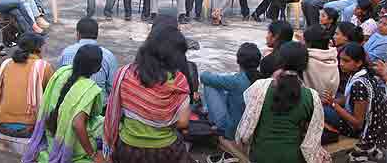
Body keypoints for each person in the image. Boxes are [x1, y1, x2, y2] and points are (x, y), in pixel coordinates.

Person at [103, 25, 193, 163]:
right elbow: (183, 122)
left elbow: (115, 114)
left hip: (128, 149)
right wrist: (160, 121)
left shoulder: (125, 74)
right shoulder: (179, 81)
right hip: (166, 150)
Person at [236, 41, 330, 163]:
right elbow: (312, 138)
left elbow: (248, 118)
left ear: (279, 62)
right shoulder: (312, 96)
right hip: (292, 158)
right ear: (305, 65)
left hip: (259, 156)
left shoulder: (260, 86)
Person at [22, 45, 106, 163]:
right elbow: (78, 124)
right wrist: (93, 154)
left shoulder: (61, 72)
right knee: (108, 128)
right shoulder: (89, 88)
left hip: (51, 137)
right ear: (97, 68)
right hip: (71, 147)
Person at [322, 42, 387, 162]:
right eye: (340, 59)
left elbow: (358, 123)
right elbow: (349, 98)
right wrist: (332, 101)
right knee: (322, 105)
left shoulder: (359, 84)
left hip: (363, 131)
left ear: (358, 62)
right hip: (371, 125)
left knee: (321, 111)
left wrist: (333, 104)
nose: (341, 64)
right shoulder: (361, 74)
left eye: (346, 61)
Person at [201, 43, 261, 161]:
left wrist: (214, 76)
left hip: (232, 131)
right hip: (251, 129)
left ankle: (210, 116)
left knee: (210, 85)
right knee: (226, 87)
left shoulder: (236, 80)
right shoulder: (263, 79)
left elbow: (204, 77)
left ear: (238, 61)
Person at [0, 33, 54, 138]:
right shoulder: (43, 66)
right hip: (29, 129)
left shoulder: (7, 63)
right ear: (38, 48)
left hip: (2, 125)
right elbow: (52, 95)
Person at [58, 17, 118, 101]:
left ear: (78, 34)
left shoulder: (66, 52)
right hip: (98, 106)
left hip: (69, 102)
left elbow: (60, 79)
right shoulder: (108, 56)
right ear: (97, 34)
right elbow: (113, 88)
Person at [302, 25, 339, 97]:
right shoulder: (333, 55)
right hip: (330, 99)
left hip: (314, 102)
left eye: (303, 40)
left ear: (308, 43)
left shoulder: (306, 59)